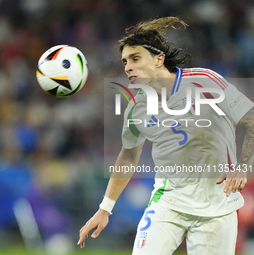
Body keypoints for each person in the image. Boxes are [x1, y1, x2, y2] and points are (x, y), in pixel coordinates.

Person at [77, 17, 254, 255]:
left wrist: (242, 166)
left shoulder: (205, 82)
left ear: (159, 59)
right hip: (168, 203)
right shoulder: (136, 108)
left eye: (135, 58)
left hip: (219, 207)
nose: (128, 67)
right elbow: (129, 156)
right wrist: (104, 209)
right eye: (125, 61)